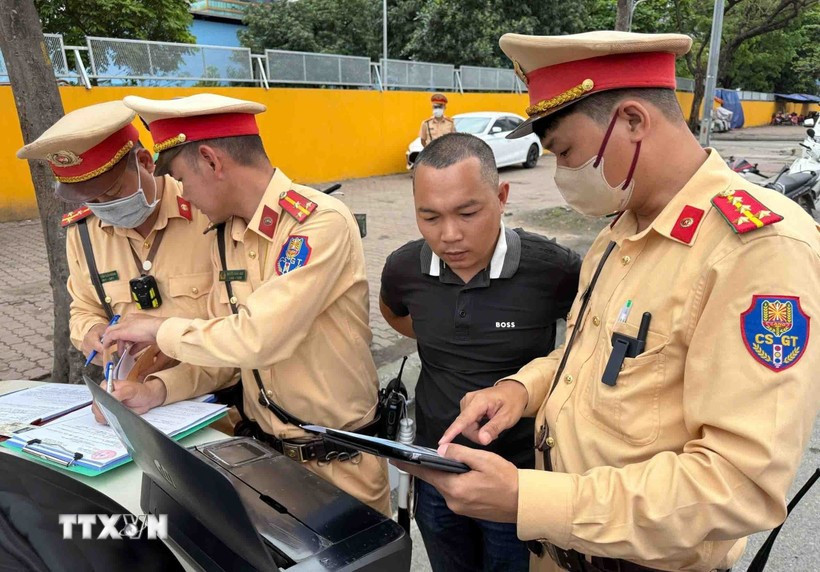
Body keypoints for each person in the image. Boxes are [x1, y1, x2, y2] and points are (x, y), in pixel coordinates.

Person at [397, 30, 820, 572]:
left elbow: (736, 485)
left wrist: (530, 500)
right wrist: (518, 390)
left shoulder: (757, 249)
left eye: (568, 152)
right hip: (558, 550)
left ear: (634, 121)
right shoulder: (620, 232)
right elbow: (587, 357)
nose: (562, 175)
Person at [101, 93, 391, 515]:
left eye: (181, 178)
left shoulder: (319, 223)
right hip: (266, 465)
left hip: (341, 468)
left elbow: (258, 338)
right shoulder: (227, 235)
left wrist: (157, 327)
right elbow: (229, 350)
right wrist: (157, 390)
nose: (182, 194)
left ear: (212, 161)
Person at [380, 132, 581, 572]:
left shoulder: (554, 269)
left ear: (502, 195)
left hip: (518, 479)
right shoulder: (403, 268)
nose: (449, 236)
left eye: (468, 213)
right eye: (429, 217)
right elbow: (396, 315)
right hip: (436, 468)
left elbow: (588, 341)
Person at [16, 101, 214, 382]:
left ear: (145, 162)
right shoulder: (84, 233)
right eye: (90, 200)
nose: (103, 207)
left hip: (215, 393)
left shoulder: (206, 211)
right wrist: (90, 331)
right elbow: (83, 308)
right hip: (131, 394)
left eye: (111, 193)